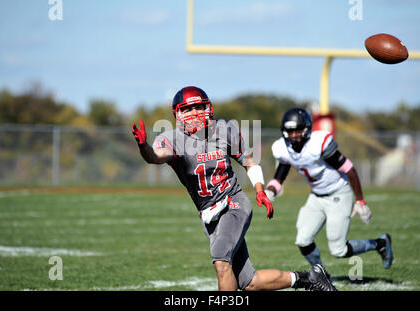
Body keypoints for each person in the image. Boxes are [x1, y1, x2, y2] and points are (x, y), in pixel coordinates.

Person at [131, 86, 336, 291]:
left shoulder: (224, 130)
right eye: (187, 109)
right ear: (177, 114)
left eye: (199, 107)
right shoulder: (173, 139)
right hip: (209, 213)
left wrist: (259, 189)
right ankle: (309, 278)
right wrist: (144, 147)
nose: (194, 113)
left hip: (233, 203)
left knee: (221, 262)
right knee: (249, 283)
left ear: (208, 108)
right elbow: (156, 156)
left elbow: (248, 162)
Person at [264, 107, 394, 275]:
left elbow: (349, 169)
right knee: (303, 240)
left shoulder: (318, 144)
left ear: (307, 129)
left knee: (338, 250)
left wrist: (360, 200)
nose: (294, 135)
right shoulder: (283, 148)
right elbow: (280, 176)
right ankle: (322, 275)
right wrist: (270, 191)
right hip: (316, 197)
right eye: (290, 131)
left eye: (297, 131)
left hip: (338, 194)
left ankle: (380, 243)